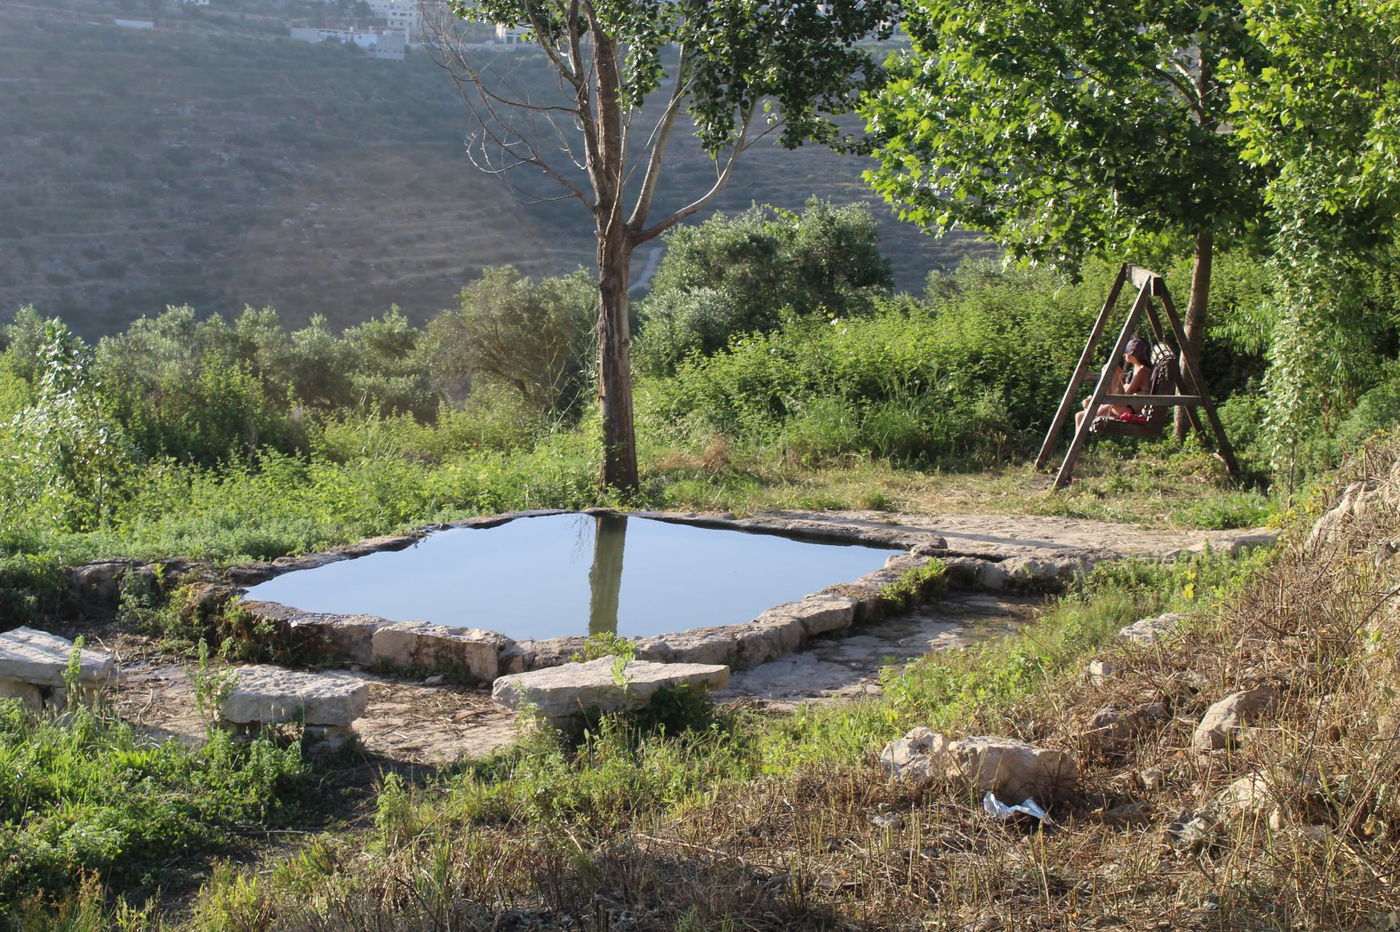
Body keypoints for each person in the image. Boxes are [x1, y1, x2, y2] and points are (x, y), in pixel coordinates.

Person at [1075, 336, 1153, 431]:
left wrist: (1102, 408)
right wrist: (1119, 372)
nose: (1125, 354)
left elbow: (1128, 393)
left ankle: (1101, 399)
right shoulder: (1136, 367)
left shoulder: (1142, 370)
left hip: (1127, 408)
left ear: (1133, 354)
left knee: (1109, 367)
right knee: (1079, 416)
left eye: (1127, 352)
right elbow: (1124, 384)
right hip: (1120, 405)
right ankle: (1081, 445)